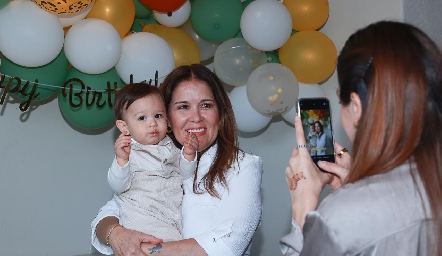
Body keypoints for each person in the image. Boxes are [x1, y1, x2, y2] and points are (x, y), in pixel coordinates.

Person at [280, 20, 442, 255]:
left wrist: (303, 205)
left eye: (339, 96)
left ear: (355, 106)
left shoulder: (338, 217)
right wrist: (357, 185)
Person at [91, 64, 263, 256]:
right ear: (168, 118)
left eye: (206, 105)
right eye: (183, 107)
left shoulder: (243, 167)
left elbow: (228, 244)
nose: (196, 117)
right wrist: (115, 234)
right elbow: (106, 215)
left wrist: (144, 250)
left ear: (220, 113)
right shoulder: (153, 158)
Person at [108, 83, 198, 242]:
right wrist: (121, 161)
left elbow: (186, 176)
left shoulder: (170, 147)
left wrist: (188, 155)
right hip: (143, 216)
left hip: (171, 215)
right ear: (124, 126)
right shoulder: (129, 152)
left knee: (175, 244)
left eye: (158, 115)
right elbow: (117, 186)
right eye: (142, 118)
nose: (152, 123)